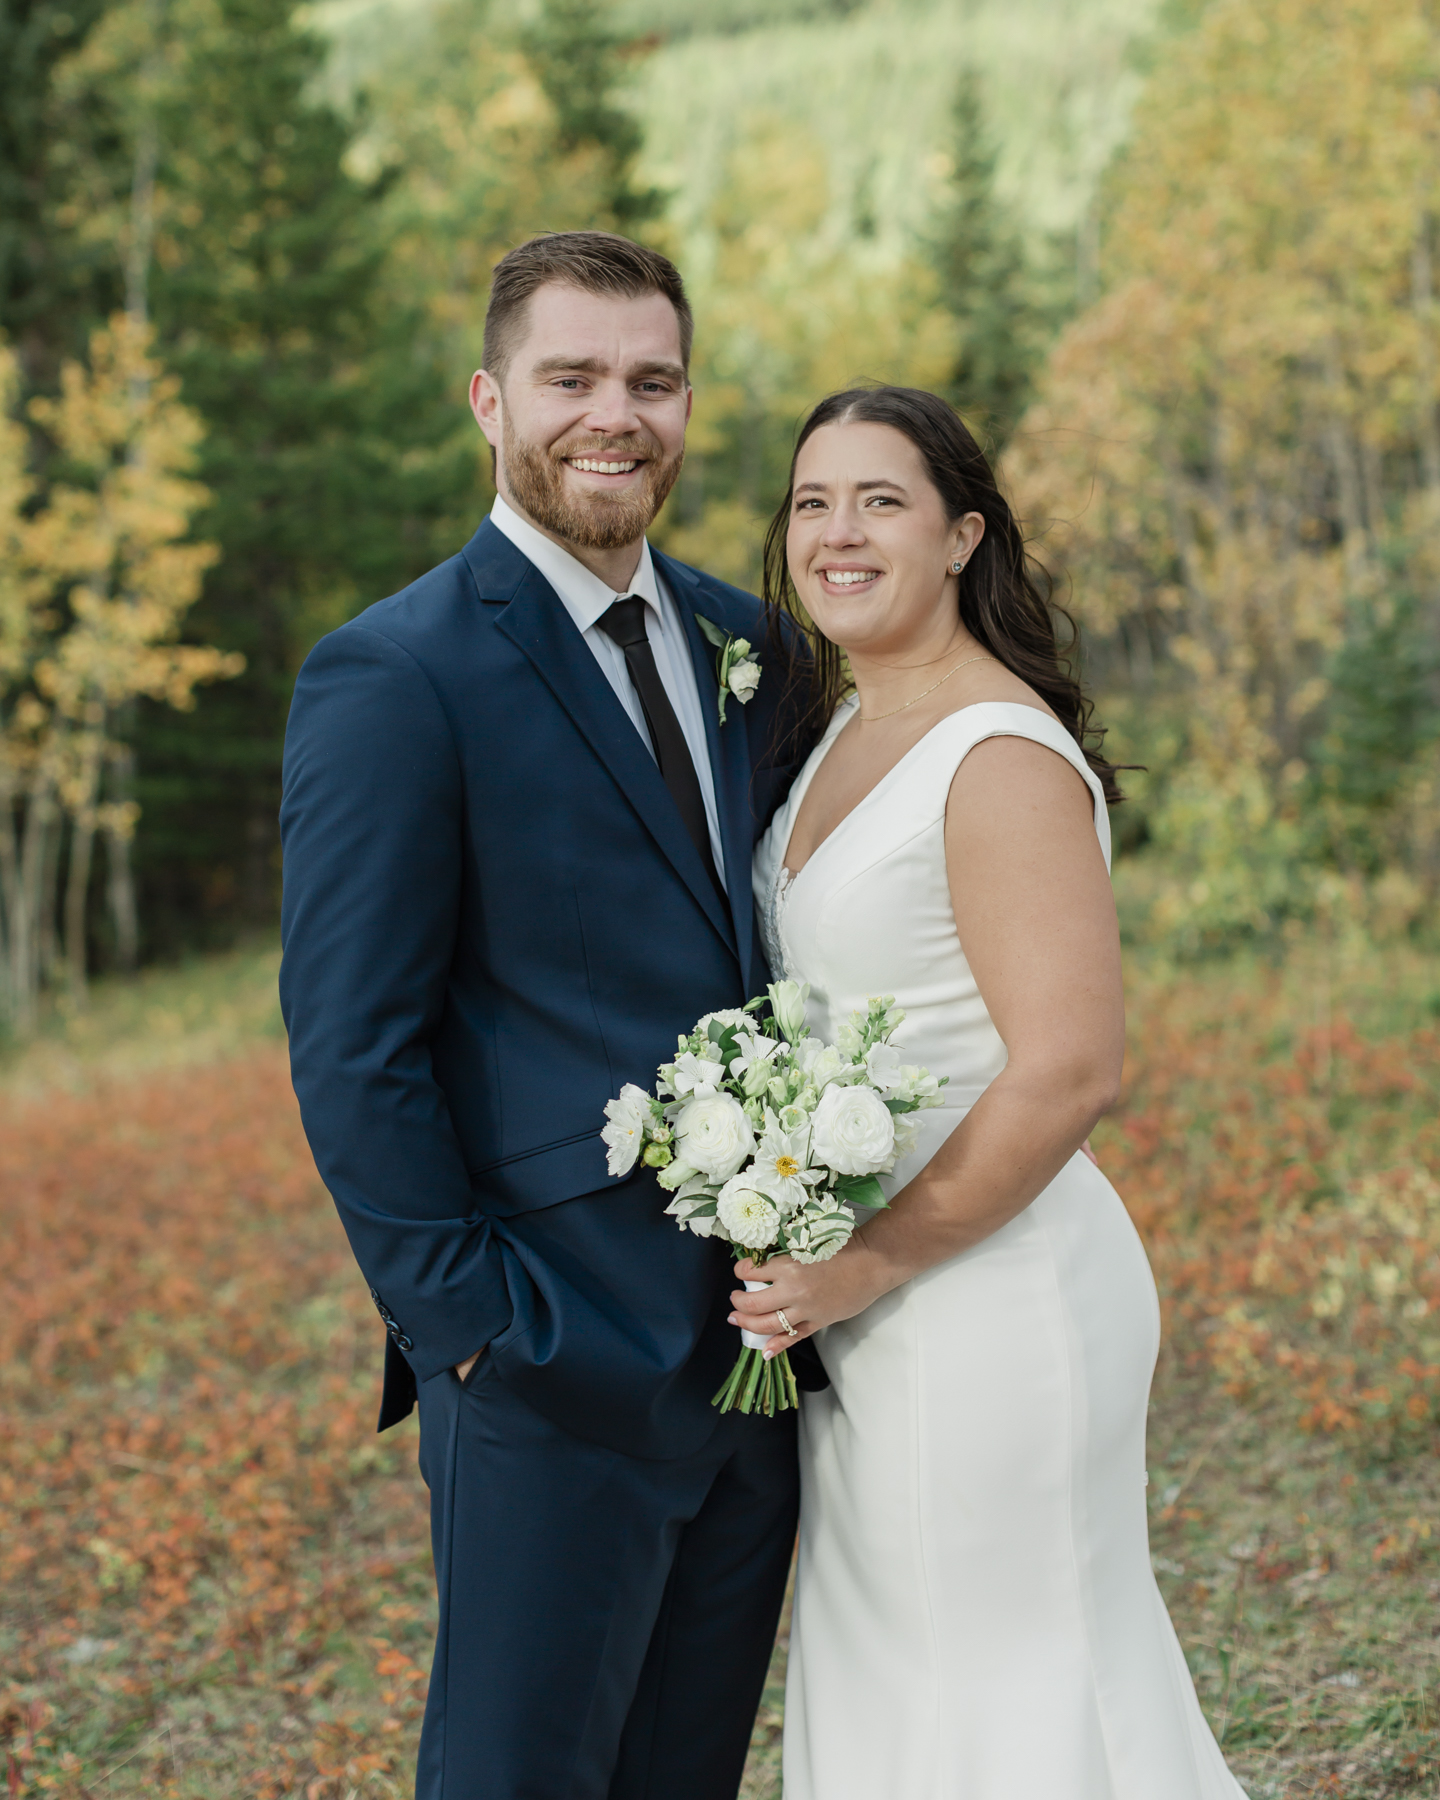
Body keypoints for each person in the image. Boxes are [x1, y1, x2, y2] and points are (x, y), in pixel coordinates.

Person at [279, 231, 812, 1800]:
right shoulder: (394, 675)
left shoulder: (750, 647)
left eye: (652, 381)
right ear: (489, 401)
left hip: (754, 1358)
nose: (616, 414)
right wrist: (475, 1337)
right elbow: (350, 1043)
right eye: (571, 377)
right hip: (545, 1359)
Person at [732, 386, 1249, 1799]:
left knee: (1022, 1697)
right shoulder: (838, 732)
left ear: (963, 535)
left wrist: (874, 1258)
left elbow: (1073, 1065)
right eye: (812, 502)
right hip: (873, 1307)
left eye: (880, 502)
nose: (837, 533)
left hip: (991, 1298)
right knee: (910, 1691)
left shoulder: (998, 753)